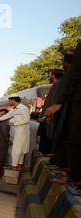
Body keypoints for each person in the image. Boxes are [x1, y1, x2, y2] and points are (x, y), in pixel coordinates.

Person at [45, 42, 81, 192]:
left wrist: (58, 104)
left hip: (77, 103)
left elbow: (75, 75)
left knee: (74, 139)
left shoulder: (67, 78)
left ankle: (76, 178)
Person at [0, 97, 30, 170]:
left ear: (14, 100)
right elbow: (3, 118)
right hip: (17, 131)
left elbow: (27, 120)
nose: (9, 102)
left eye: (9, 101)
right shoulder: (13, 109)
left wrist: (15, 123)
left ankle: (14, 166)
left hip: (22, 131)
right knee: (19, 149)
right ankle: (18, 166)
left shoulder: (24, 108)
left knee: (18, 149)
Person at [38, 69, 64, 154]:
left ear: (53, 76)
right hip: (52, 116)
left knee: (47, 138)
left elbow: (50, 103)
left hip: (50, 117)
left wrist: (44, 116)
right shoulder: (60, 84)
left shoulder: (56, 85)